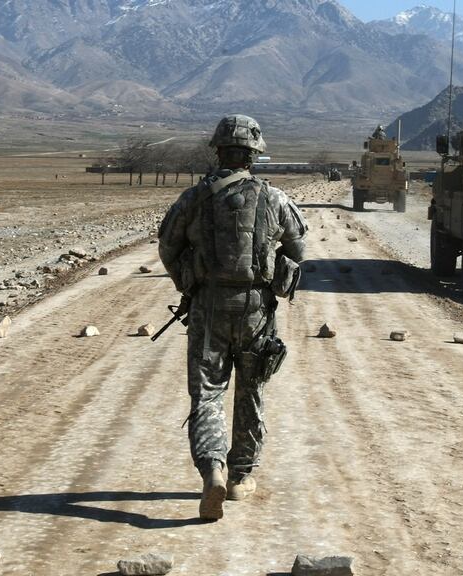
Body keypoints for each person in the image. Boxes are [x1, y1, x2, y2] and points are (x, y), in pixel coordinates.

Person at [157, 114, 308, 521]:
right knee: (251, 391)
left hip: (208, 308)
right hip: (257, 309)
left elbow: (168, 248)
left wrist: (187, 283)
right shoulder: (275, 199)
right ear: (253, 155)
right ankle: (241, 475)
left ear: (218, 151)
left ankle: (213, 470)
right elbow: (298, 248)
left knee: (207, 394)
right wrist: (280, 278)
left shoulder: (192, 199)